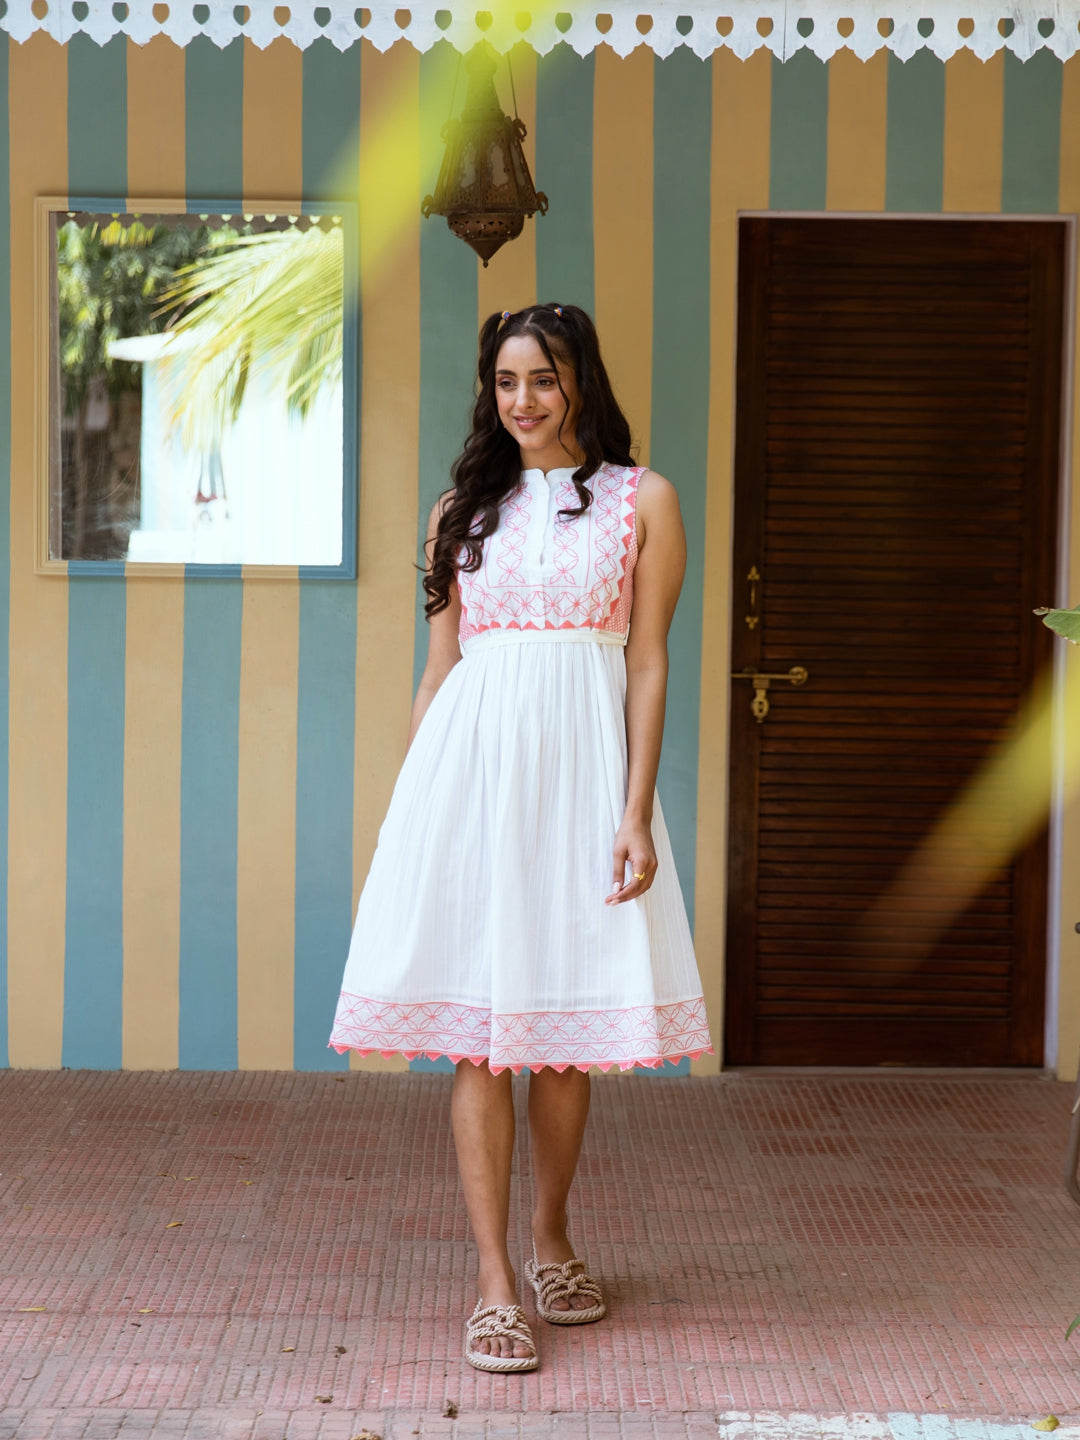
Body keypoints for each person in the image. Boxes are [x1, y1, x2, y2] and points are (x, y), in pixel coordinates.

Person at [330, 303, 712, 1373]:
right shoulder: (464, 510)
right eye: (506, 381)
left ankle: (551, 1239)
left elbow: (646, 662)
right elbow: (441, 669)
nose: (525, 401)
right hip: (471, 784)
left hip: (584, 783)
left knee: (561, 1032)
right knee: (478, 1036)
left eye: (543, 379)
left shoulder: (647, 502)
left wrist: (635, 812)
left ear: (580, 381)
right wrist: (412, 812)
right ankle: (494, 1279)